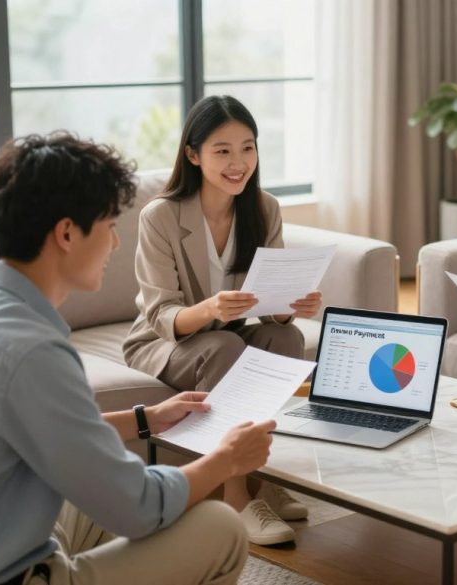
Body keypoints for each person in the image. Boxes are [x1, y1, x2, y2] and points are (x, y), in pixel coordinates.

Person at [0, 132, 275, 585]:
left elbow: (41, 433)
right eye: (109, 226)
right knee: (218, 527)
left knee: (98, 479)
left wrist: (146, 419)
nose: (116, 245)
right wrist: (226, 459)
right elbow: (140, 508)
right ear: (66, 233)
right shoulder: (31, 350)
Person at [122, 95, 320, 545]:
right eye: (223, 150)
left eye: (247, 148)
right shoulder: (162, 216)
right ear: (193, 155)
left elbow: (269, 306)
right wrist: (211, 308)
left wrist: (293, 303)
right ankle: (235, 494)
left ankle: (266, 477)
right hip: (165, 341)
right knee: (226, 347)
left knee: (285, 336)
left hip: (228, 331)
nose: (239, 162)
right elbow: (160, 314)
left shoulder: (264, 207)